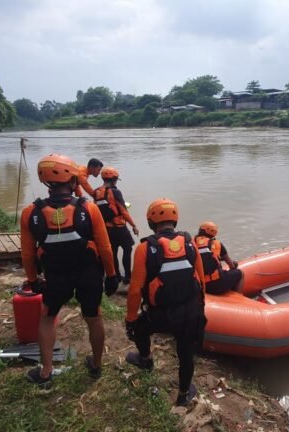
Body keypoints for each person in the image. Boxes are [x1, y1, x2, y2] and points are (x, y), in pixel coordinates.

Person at [20, 154, 120, 388]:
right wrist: (112, 275)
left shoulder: (30, 213)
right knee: (94, 318)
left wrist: (33, 280)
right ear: (73, 181)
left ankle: (45, 371)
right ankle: (96, 364)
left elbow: (26, 254)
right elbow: (105, 248)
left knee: (47, 318)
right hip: (89, 275)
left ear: (46, 182)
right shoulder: (89, 209)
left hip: (55, 276)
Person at [124, 198, 207, 407]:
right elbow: (201, 280)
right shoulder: (190, 243)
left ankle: (145, 359)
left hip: (160, 315)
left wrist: (130, 319)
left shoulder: (144, 248)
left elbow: (134, 291)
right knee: (186, 352)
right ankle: (184, 393)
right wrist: (201, 309)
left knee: (141, 328)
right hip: (189, 312)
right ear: (175, 220)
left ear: (151, 222)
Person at [94, 167, 140, 284]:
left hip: (107, 229)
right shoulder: (115, 192)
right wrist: (133, 225)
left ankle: (117, 276)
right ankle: (128, 278)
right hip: (120, 228)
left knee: (113, 252)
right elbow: (123, 211)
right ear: (114, 179)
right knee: (127, 249)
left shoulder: (96, 192)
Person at [194, 221, 244, 294]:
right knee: (240, 273)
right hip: (216, 284)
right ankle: (239, 297)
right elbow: (231, 265)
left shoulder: (192, 243)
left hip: (199, 285)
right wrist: (234, 265)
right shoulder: (216, 244)